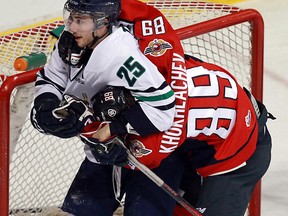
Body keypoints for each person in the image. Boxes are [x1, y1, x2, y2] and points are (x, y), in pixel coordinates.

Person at [30, 0, 188, 215]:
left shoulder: (122, 57)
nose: (71, 26)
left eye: (80, 20)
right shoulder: (70, 42)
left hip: (153, 150)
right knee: (81, 211)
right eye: (71, 17)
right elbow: (53, 77)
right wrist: (45, 104)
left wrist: (116, 128)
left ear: (102, 23)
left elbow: (164, 109)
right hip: (104, 147)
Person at [109, 54, 272, 216]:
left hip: (240, 157)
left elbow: (138, 157)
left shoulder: (169, 122)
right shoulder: (169, 64)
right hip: (221, 132)